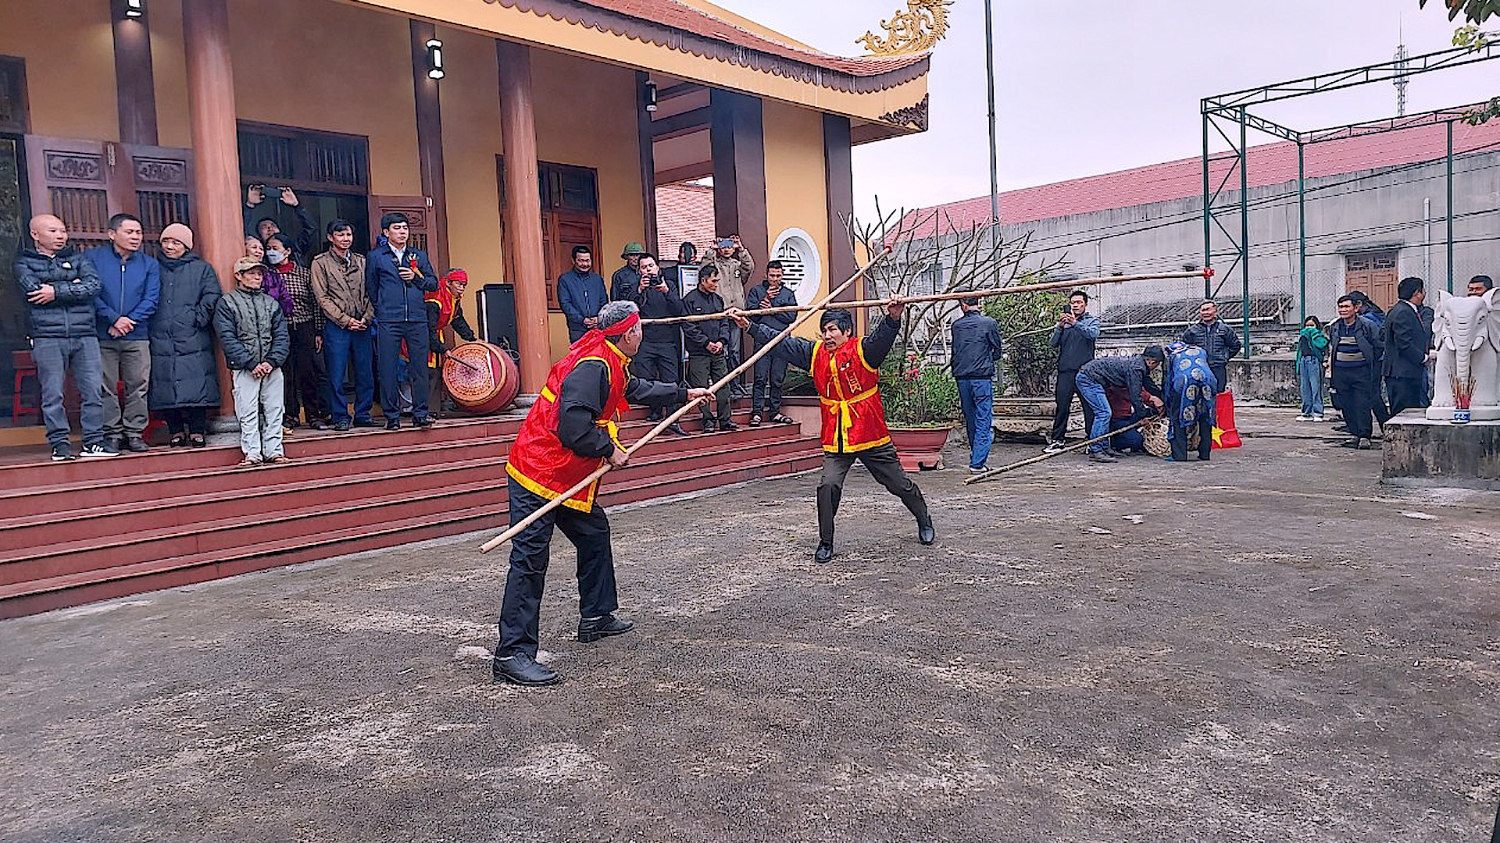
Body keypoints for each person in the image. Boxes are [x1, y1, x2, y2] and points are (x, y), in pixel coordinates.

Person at [494, 300, 716, 686]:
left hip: (564, 475)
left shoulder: (607, 354)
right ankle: (512, 653)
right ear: (630, 333)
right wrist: (608, 449)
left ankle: (596, 615)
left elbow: (634, 388)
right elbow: (572, 425)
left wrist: (684, 394)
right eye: (640, 328)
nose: (641, 334)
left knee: (593, 534)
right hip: (540, 472)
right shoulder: (592, 365)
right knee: (529, 560)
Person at [732, 302, 934, 564]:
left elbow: (883, 337)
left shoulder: (864, 351)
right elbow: (781, 343)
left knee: (898, 484)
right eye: (824, 330)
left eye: (832, 330)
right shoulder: (814, 354)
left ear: (847, 331)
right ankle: (825, 541)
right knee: (828, 485)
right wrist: (750, 326)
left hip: (869, 433)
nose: (827, 336)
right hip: (836, 437)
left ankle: (923, 518)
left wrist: (893, 317)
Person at [13, 214, 116, 461]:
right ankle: (59, 444)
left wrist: (55, 290)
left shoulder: (78, 258)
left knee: (93, 390)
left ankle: (93, 442)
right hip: (47, 335)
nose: (61, 236)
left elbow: (93, 287)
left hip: (85, 334)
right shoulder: (23, 263)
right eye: (53, 231)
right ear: (35, 235)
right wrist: (72, 286)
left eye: (62, 231)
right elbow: (34, 290)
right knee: (52, 393)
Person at [85, 213, 159, 454]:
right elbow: (90, 293)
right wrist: (113, 318)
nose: (135, 237)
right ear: (112, 234)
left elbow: (151, 299)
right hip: (104, 333)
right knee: (104, 384)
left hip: (137, 334)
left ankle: (134, 432)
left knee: (138, 384)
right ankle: (112, 433)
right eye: (129, 232)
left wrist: (128, 321)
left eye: (138, 232)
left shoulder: (149, 264)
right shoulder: (93, 259)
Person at [149, 224, 221, 448]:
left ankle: (198, 430)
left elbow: (212, 295)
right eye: (166, 242)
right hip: (160, 333)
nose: (170, 246)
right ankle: (176, 430)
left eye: (176, 242)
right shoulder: (153, 267)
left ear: (186, 246)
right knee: (165, 382)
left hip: (192, 333)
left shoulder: (201, 269)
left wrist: (197, 318)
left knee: (196, 381)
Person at [214, 257, 291, 467]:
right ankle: (252, 453)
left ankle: (274, 450)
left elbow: (282, 336)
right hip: (245, 367)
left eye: (259, 273)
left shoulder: (271, 303)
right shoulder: (227, 303)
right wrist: (250, 363)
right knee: (247, 411)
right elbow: (227, 338)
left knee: (275, 409)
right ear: (239, 276)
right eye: (251, 273)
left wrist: (271, 361)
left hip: (271, 366)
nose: (257, 277)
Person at [366, 212, 437, 429]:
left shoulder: (418, 256)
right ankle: (392, 416)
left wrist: (415, 278)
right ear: (386, 232)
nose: (402, 232)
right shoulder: (377, 256)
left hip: (417, 318)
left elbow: (433, 283)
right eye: (397, 228)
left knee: (419, 368)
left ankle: (420, 414)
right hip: (390, 320)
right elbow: (371, 287)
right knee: (387, 367)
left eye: (405, 228)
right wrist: (384, 309)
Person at [311, 219, 376, 431]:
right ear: (330, 237)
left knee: (365, 372)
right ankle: (340, 416)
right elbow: (322, 298)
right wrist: (346, 321)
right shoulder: (320, 263)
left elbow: (370, 292)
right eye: (340, 235)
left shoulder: (361, 261)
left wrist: (367, 317)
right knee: (336, 374)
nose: (345, 239)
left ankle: (363, 414)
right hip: (337, 325)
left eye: (348, 235)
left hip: (363, 325)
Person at [615, 254, 688, 436]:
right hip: (645, 341)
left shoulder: (669, 284)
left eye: (651, 266)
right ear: (639, 271)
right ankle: (655, 412)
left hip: (667, 341)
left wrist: (666, 292)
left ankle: (672, 419)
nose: (648, 270)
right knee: (647, 378)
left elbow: (680, 309)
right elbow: (629, 309)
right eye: (644, 267)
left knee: (670, 379)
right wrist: (639, 290)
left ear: (658, 267)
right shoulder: (635, 287)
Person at [266, 232, 329, 431]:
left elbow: (316, 303)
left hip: (304, 326)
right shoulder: (267, 275)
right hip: (279, 329)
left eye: (275, 248)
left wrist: (318, 331)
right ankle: (290, 414)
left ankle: (313, 414)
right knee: (285, 374)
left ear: (288, 251)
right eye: (268, 249)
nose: (271, 252)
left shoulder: (303, 273)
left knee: (308, 372)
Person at [1075, 348, 1165, 464]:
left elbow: (1149, 385)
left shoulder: (1139, 366)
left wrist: (1161, 399)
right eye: (1157, 364)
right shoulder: (1136, 368)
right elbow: (1135, 397)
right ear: (1151, 361)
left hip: (1093, 378)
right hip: (1089, 379)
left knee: (1105, 414)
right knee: (1104, 413)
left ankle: (1105, 448)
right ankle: (1096, 450)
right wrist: (1143, 415)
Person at [948, 296, 1003, 473]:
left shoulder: (956, 326)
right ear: (978, 304)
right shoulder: (989, 323)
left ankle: (976, 456)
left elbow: (956, 350)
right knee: (983, 419)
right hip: (981, 377)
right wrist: (987, 359)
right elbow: (997, 349)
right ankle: (977, 462)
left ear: (964, 305)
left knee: (970, 418)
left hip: (962, 377)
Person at [681, 264, 737, 433]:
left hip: (718, 352)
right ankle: (708, 421)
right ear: (703, 280)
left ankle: (725, 420)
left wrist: (721, 341)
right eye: (713, 281)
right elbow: (689, 327)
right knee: (701, 387)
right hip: (699, 353)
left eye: (717, 281)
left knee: (723, 386)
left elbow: (724, 322)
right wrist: (706, 343)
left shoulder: (718, 300)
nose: (716, 284)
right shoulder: (689, 300)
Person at [745, 260, 799, 427]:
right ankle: (757, 413)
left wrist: (773, 306)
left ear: (782, 276)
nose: (775, 279)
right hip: (761, 341)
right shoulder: (756, 291)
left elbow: (791, 317)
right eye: (772, 275)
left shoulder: (788, 294)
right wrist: (766, 300)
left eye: (778, 276)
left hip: (782, 342)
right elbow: (752, 316)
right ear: (766, 275)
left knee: (777, 379)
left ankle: (775, 411)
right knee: (760, 378)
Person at [1045, 290, 1100, 453]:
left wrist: (1075, 323)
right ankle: (1057, 440)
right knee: (1062, 407)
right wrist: (1060, 327)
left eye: (1079, 303)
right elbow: (1052, 343)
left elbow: (1093, 334)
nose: (1075, 305)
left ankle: (1092, 440)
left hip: (1085, 373)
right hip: (1065, 372)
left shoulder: (1091, 321)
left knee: (1088, 407)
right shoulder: (1065, 324)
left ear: (1085, 304)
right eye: (1073, 303)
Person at [1329, 294, 1383, 450]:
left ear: (1355, 308)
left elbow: (1378, 345)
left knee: (1362, 404)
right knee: (1346, 404)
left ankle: (1365, 435)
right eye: (1341, 307)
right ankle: (1354, 433)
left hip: (1361, 371)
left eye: (1346, 307)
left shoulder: (1367, 325)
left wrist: (1370, 361)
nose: (1343, 310)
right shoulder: (1335, 327)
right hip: (1341, 372)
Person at [425, 268, 477, 414]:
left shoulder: (454, 300)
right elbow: (429, 328)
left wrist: (472, 339)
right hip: (423, 337)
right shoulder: (434, 301)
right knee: (428, 373)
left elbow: (458, 321)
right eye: (458, 284)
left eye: (464, 285)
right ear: (448, 283)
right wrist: (441, 348)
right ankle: (425, 411)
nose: (461, 288)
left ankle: (433, 410)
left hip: (434, 336)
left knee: (436, 371)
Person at [708, 235, 754, 398]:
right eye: (723, 245)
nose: (726, 249)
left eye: (729, 245)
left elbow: (749, 268)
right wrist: (711, 249)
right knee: (723, 350)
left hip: (736, 314)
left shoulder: (737, 265)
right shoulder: (715, 264)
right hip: (721, 314)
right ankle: (722, 383)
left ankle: (735, 384)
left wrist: (741, 249)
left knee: (734, 351)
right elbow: (705, 267)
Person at [1161, 341, 1216, 462]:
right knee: (1205, 415)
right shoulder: (1201, 351)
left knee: (1177, 417)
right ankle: (1204, 453)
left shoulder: (1172, 355)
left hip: (1184, 381)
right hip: (1207, 379)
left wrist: (1167, 402)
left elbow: (1169, 379)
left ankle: (1179, 455)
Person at [1383, 276, 1430, 416]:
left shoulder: (1403, 310)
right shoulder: (1403, 312)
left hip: (1406, 372)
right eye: (1423, 291)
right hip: (1402, 373)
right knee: (1403, 413)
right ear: (1417, 293)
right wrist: (1423, 358)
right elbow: (1404, 343)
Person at [1180, 299, 1241, 394]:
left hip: (1218, 368)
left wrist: (1224, 356)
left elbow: (1235, 345)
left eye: (1208, 309)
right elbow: (1184, 347)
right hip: (1198, 368)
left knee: (1218, 394)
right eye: (1203, 310)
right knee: (1199, 395)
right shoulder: (1192, 331)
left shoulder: (1224, 329)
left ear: (1215, 311)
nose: (1206, 313)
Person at [244, 185, 316, 261]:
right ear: (259, 236)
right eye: (264, 227)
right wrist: (249, 205)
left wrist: (296, 206)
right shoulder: (259, 255)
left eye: (273, 225)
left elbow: (311, 229)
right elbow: (240, 232)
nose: (270, 228)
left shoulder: (295, 249)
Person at [557, 245, 608, 343]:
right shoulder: (565, 280)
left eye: (587, 260)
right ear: (573, 260)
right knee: (581, 357)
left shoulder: (597, 279)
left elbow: (604, 301)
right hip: (577, 329)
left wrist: (598, 319)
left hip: (598, 327)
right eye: (581, 260)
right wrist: (582, 320)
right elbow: (565, 304)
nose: (585, 264)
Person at [245, 235, 293, 316]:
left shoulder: (273, 276)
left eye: (261, 249)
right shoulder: (240, 272)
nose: (259, 251)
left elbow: (286, 303)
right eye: (254, 247)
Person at [1295, 315, 1329, 422]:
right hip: (1304, 361)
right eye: (1307, 325)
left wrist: (1313, 334)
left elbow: (1321, 344)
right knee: (1305, 388)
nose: (1309, 328)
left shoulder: (1319, 335)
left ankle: (1318, 412)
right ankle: (1306, 412)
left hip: (1314, 361)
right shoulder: (1302, 336)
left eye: (1312, 325)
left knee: (1315, 387)